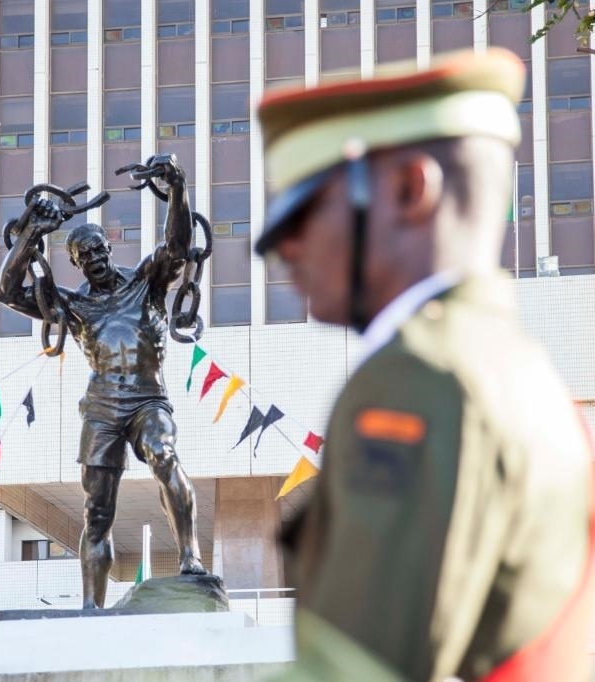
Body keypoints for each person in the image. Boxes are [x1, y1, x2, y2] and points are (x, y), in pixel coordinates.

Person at [254, 49, 595, 680]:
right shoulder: (512, 368)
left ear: (411, 189)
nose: (280, 246)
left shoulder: (417, 378)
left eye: (304, 211)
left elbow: (351, 670)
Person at [0, 154, 207, 609]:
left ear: (108, 249)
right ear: (75, 263)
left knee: (164, 455)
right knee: (97, 511)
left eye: (96, 250)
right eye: (82, 256)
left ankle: (190, 557)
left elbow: (177, 247)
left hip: (148, 399)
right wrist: (31, 233)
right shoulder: (73, 306)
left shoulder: (146, 283)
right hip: (102, 407)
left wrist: (177, 189)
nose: (92, 259)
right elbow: (7, 293)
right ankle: (92, 606)